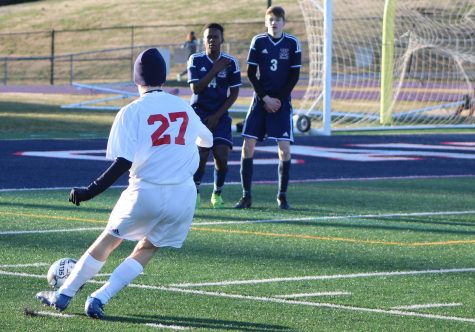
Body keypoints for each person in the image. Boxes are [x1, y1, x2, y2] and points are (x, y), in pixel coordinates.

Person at [35, 48, 213, 319]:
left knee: (108, 241)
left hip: (146, 190)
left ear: (136, 79)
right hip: (183, 195)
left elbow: (122, 162)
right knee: (148, 247)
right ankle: (99, 298)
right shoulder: (184, 106)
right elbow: (207, 141)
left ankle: (63, 295)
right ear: (163, 77)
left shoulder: (132, 111)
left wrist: (89, 191)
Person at [235, 6, 301, 210]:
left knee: (284, 149)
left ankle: (282, 196)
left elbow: (294, 76)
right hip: (260, 102)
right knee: (248, 146)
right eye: (270, 19)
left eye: (278, 19)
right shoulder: (258, 41)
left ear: (284, 22)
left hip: (281, 104)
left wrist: (277, 99)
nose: (274, 23)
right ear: (266, 22)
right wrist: (265, 98)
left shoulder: (292, 43)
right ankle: (246, 196)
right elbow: (251, 74)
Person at [187, 23, 241, 208]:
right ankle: (195, 190)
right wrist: (215, 70)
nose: (212, 40)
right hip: (199, 114)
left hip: (220, 114)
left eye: (215, 37)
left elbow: (234, 93)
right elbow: (196, 88)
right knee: (200, 156)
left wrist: (217, 116)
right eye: (208, 37)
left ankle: (217, 193)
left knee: (221, 156)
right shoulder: (195, 59)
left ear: (222, 40)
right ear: (203, 41)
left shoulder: (231, 62)